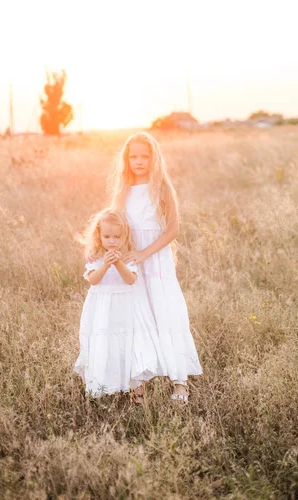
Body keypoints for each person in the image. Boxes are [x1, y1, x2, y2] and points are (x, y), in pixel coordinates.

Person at [111, 132, 202, 404]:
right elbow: (114, 224)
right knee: (136, 318)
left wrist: (144, 253)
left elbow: (173, 229)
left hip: (156, 260)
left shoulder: (161, 187)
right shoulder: (123, 188)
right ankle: (138, 385)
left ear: (154, 158)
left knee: (166, 315)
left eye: (144, 156)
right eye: (133, 156)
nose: (139, 161)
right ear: (127, 159)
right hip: (131, 262)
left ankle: (179, 383)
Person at [73, 208, 165, 404]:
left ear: (125, 237)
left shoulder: (128, 257)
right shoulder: (95, 257)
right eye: (107, 236)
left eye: (117, 236)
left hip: (124, 309)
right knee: (105, 343)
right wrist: (105, 264)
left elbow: (130, 280)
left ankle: (136, 392)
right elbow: (93, 280)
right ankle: (105, 386)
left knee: (128, 345)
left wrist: (118, 264)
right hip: (102, 310)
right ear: (99, 236)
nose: (112, 241)